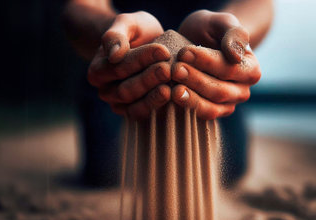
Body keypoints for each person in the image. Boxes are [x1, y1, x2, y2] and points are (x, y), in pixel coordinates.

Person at [63, 0, 273, 187]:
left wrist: (234, 31)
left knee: (230, 168)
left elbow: (257, 3)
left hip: (211, 75)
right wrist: (112, 32)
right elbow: (82, 5)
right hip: (122, 76)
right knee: (107, 171)